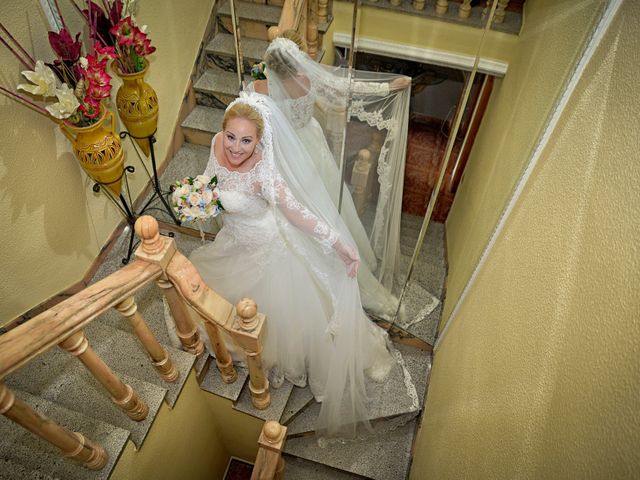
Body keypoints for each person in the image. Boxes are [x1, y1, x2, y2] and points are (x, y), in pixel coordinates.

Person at [188, 92, 416, 439]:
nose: (235, 147)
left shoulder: (265, 174)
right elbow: (210, 178)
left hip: (266, 250)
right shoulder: (218, 143)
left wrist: (342, 246)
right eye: (232, 136)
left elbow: (299, 215)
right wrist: (201, 198)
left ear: (259, 140)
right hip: (234, 240)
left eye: (246, 141)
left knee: (281, 322)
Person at [246, 36, 412, 319]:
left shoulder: (259, 86)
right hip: (305, 149)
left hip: (287, 152)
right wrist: (387, 86)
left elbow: (249, 117)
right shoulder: (306, 78)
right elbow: (345, 85)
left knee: (305, 209)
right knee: (321, 207)